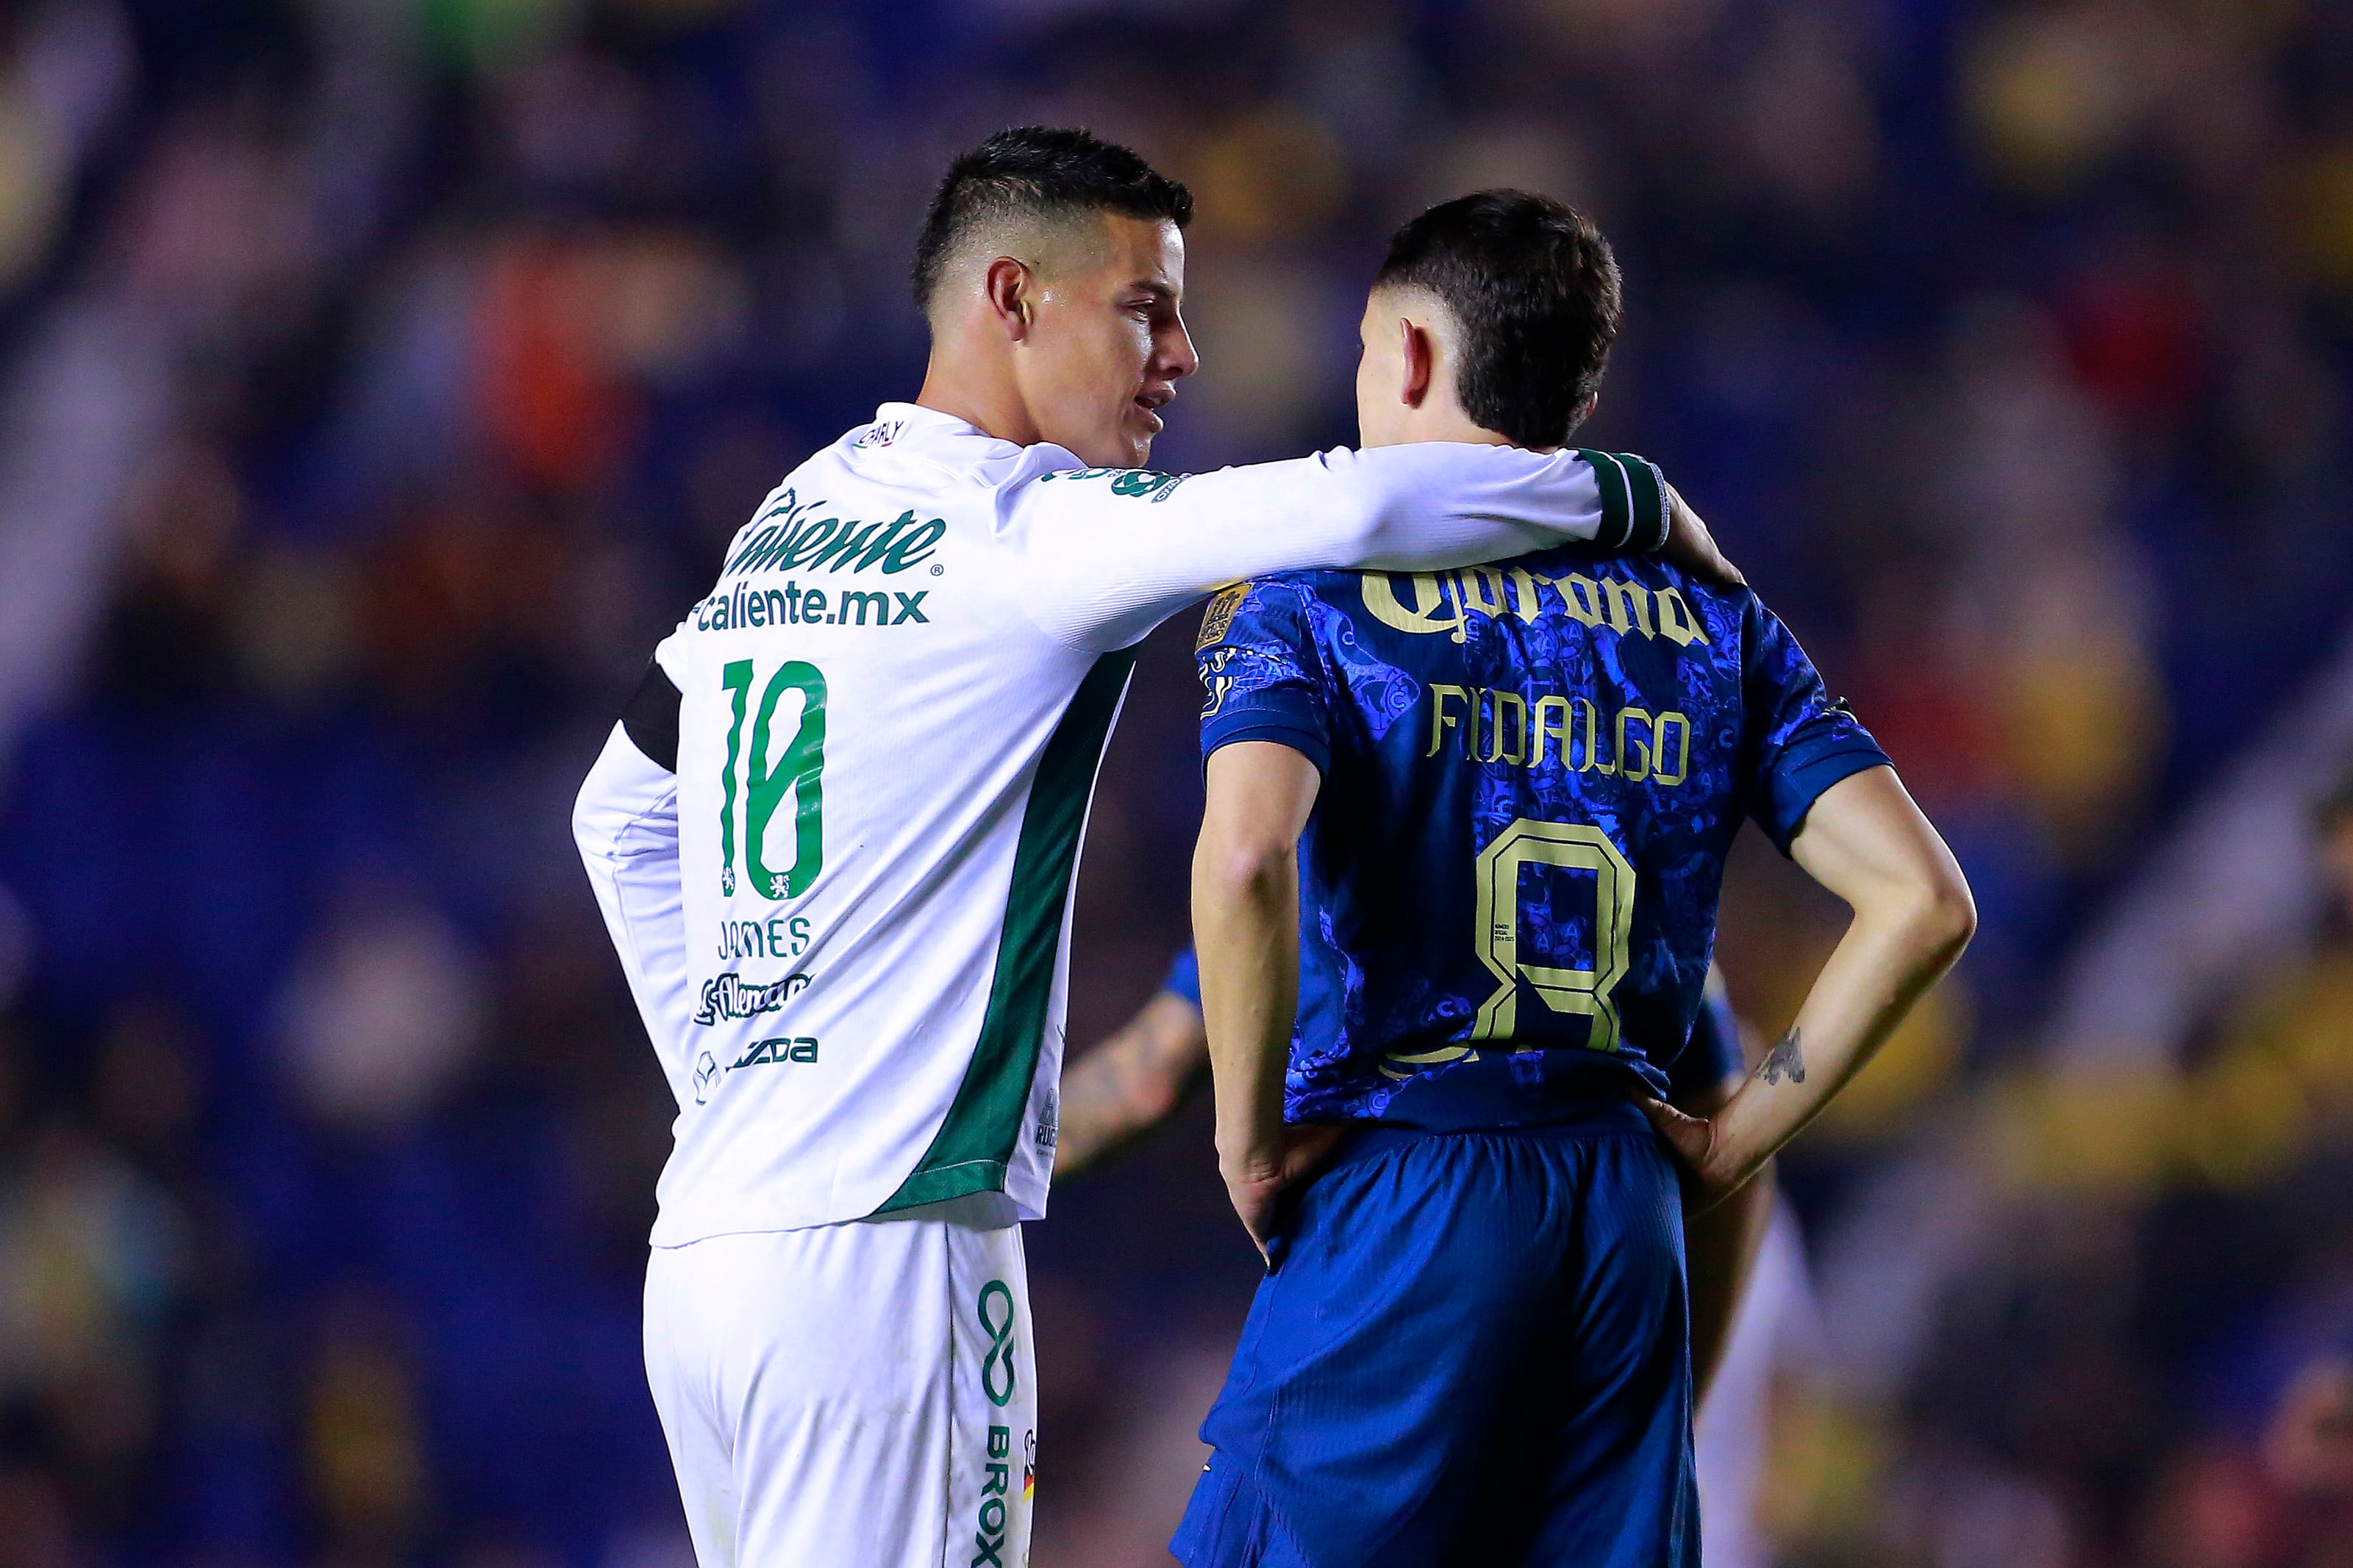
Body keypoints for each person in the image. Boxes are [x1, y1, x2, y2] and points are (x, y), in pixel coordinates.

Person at [571, 128, 1735, 1568]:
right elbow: (1353, 504)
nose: (1180, 353)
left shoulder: (805, 516)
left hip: (710, 1258)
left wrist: (739, 1093)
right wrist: (1620, 498)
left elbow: (617, 808)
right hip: (885, 1258)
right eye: (1142, 307)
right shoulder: (1022, 530)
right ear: (1012, 298)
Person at [1176, 190, 1974, 1567]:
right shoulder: (1713, 607)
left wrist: (1246, 1141)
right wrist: (1735, 1141)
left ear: (1414, 357)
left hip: (1410, 1182)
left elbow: (1247, 853)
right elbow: (1924, 899)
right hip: (1622, 1213)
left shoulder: (1309, 590)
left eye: (1369, 350)